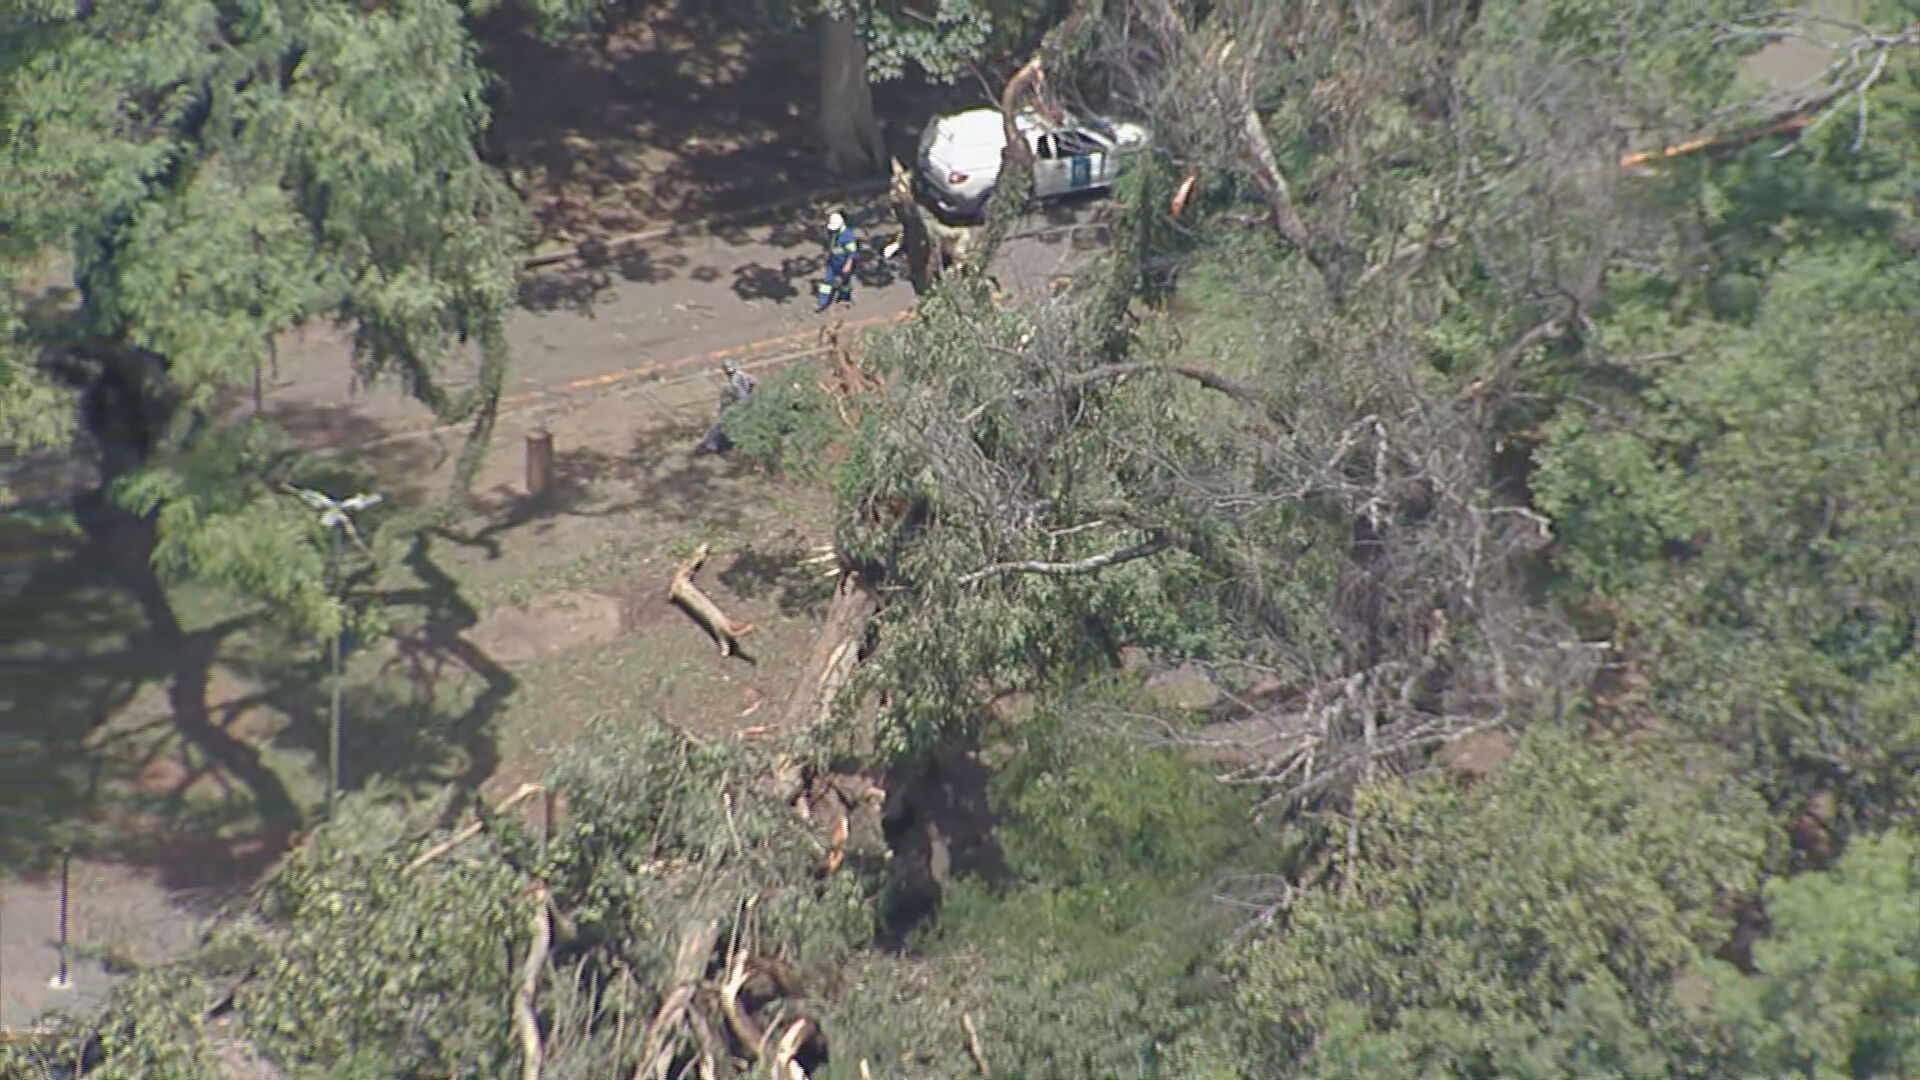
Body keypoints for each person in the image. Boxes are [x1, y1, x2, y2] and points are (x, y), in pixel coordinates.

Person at [693, 357, 757, 455]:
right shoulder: (739, 378)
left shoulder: (736, 381)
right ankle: (715, 445)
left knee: (719, 423)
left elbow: (742, 397)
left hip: (739, 407)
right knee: (720, 423)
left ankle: (709, 444)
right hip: (737, 406)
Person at [815, 210, 858, 312]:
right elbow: (830, 244)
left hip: (844, 262)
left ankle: (844, 298)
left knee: (845, 282)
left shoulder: (847, 235)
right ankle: (821, 302)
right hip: (833, 261)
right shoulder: (832, 232)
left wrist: (848, 265)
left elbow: (852, 252)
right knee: (827, 281)